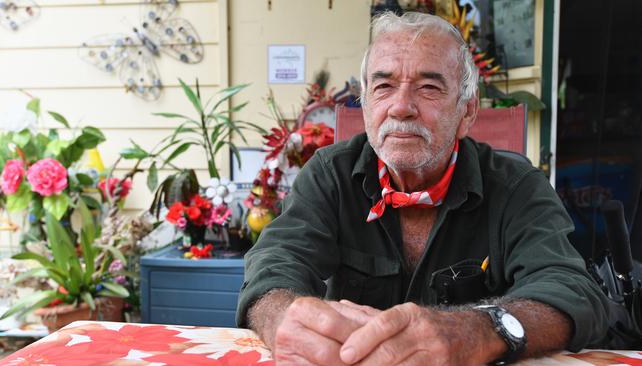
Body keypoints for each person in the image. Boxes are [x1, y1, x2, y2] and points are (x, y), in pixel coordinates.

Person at [237, 12, 609, 366]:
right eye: (383, 86)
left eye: (429, 87)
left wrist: (478, 330)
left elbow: (571, 290)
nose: (401, 107)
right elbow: (274, 266)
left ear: (467, 112)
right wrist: (283, 315)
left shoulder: (516, 186)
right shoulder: (330, 173)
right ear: (366, 105)